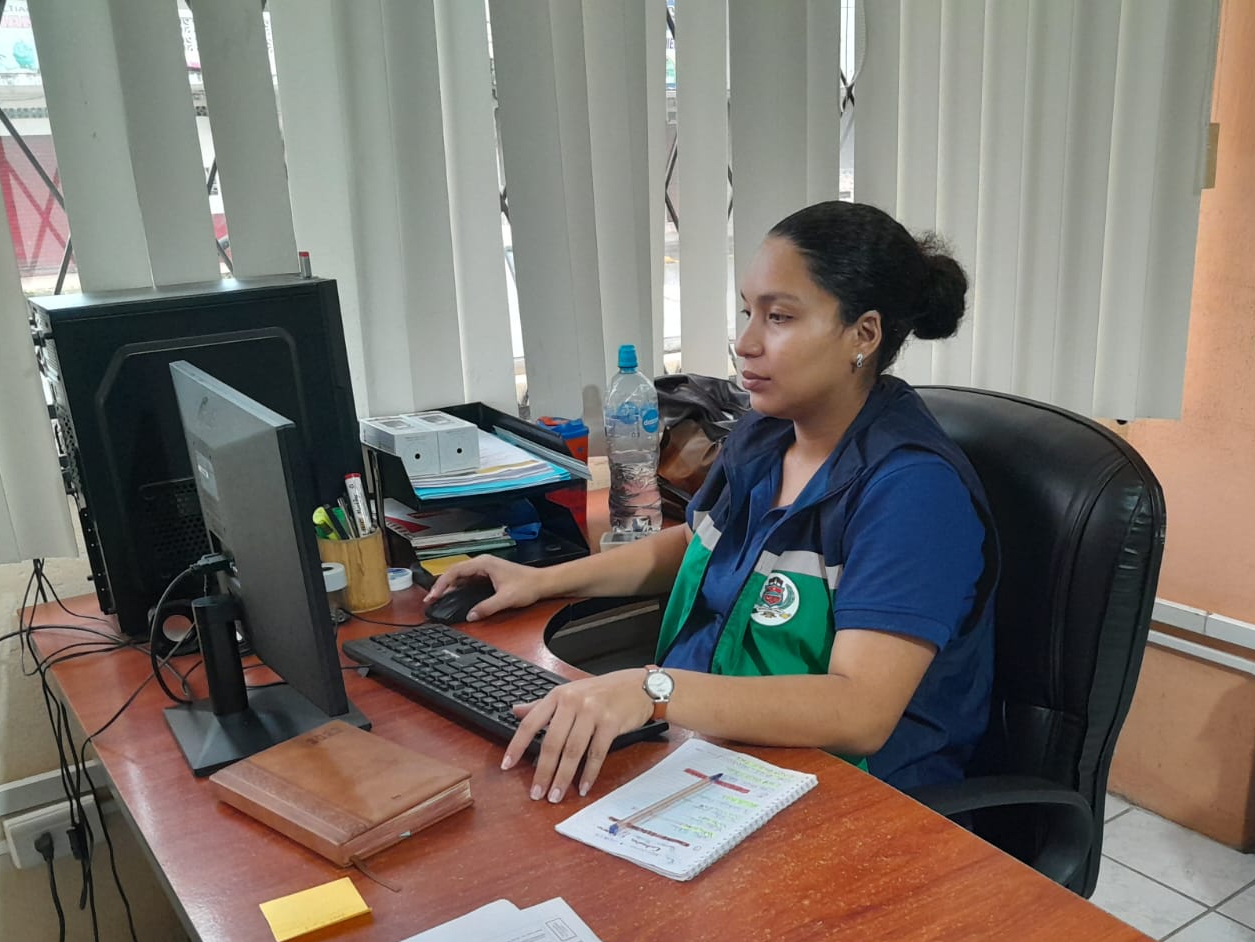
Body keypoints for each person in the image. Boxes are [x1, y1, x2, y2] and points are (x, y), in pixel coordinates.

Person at [424, 200, 996, 805]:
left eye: (778, 317)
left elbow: (860, 710)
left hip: (849, 800)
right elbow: (697, 544)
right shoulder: (765, 436)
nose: (745, 343)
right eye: (748, 312)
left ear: (864, 334)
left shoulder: (913, 490)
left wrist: (654, 690)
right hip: (712, 755)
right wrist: (541, 580)